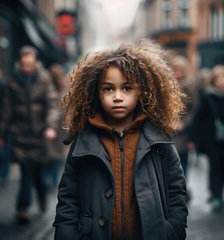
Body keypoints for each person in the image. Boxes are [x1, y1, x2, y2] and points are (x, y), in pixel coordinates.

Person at [53, 39, 188, 240]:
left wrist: (171, 231)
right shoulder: (84, 141)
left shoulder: (159, 140)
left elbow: (176, 192)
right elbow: (68, 199)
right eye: (108, 89)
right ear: (95, 93)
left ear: (142, 91)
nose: (117, 96)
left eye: (126, 88)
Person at [0, 46, 59, 223]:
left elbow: (52, 104)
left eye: (30, 64)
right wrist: (1, 134)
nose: (27, 68)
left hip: (40, 135)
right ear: (19, 62)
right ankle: (22, 208)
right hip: (20, 135)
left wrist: (50, 126)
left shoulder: (44, 79)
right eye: (24, 64)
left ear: (35, 63)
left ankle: (41, 195)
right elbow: (7, 112)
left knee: (38, 173)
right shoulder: (12, 82)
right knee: (25, 171)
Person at [189, 64, 224, 212]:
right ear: (213, 80)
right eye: (218, 78)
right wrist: (193, 138)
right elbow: (198, 119)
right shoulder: (208, 96)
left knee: (223, 168)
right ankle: (215, 195)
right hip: (211, 139)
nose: (221, 81)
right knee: (215, 166)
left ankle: (219, 193)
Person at [171, 55, 197, 202]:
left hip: (185, 133)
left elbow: (194, 110)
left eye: (180, 70)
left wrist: (184, 124)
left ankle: (183, 189)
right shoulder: (167, 86)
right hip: (171, 131)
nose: (178, 74)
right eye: (175, 70)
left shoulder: (190, 87)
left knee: (184, 163)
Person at [45, 63, 68, 190]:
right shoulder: (62, 92)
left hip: (52, 128)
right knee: (57, 157)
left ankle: (50, 179)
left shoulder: (49, 90)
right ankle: (52, 180)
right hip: (58, 129)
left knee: (51, 156)